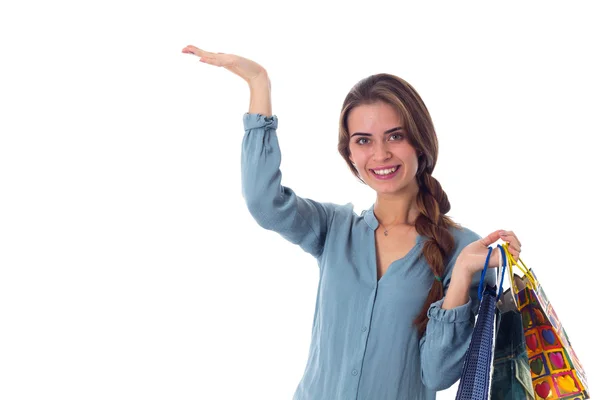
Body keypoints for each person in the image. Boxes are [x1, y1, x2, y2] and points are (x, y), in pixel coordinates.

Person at [182, 45, 523, 400]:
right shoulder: (334, 228)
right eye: (364, 141)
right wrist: (258, 83)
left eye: (395, 136)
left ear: (420, 143)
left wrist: (464, 274)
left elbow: (437, 374)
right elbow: (263, 202)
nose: (380, 154)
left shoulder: (462, 249)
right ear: (350, 154)